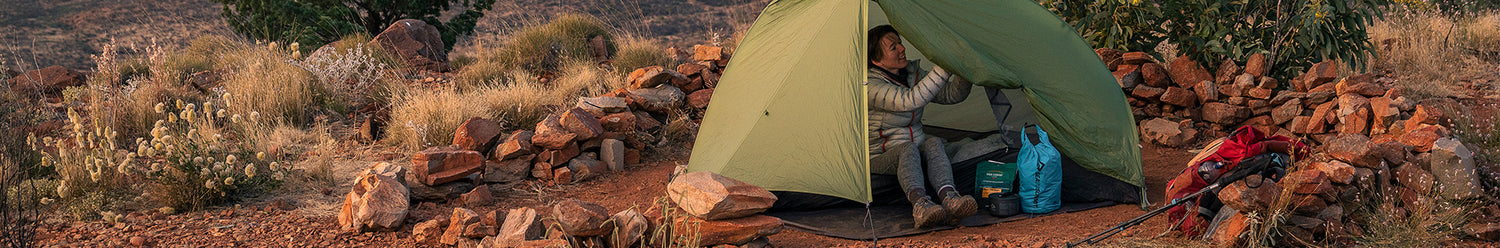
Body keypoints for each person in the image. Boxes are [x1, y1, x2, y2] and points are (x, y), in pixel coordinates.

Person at [865, 25, 977, 227]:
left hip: (915, 148)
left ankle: (949, 197)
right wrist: (945, 66)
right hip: (880, 157)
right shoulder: (869, 86)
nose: (902, 48)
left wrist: (964, 69)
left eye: (900, 42)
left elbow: (952, 94)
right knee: (907, 149)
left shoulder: (911, 73)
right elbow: (911, 100)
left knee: (933, 142)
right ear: (876, 60)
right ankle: (920, 205)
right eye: (893, 47)